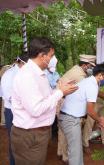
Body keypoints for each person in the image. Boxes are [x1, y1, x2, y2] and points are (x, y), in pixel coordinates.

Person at [10, 37, 78, 165]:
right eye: (51, 56)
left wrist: (60, 89)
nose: (53, 59)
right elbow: (36, 109)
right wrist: (60, 92)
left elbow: (43, 97)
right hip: (30, 135)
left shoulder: (38, 74)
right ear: (42, 56)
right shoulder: (28, 76)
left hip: (36, 133)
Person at [58, 64, 104, 165]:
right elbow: (90, 111)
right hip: (70, 119)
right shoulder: (92, 85)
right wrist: (100, 120)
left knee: (76, 150)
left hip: (68, 117)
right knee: (75, 152)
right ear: (100, 75)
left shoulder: (87, 81)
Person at [57, 54, 96, 163]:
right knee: (66, 132)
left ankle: (61, 152)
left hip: (62, 99)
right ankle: (65, 156)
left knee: (63, 131)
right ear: (84, 65)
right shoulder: (79, 75)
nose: (91, 69)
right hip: (63, 101)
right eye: (90, 66)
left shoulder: (77, 70)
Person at [1, 54, 29, 165]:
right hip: (12, 112)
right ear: (22, 63)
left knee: (25, 140)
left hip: (25, 111)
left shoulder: (25, 74)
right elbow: (9, 96)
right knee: (14, 141)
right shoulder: (9, 75)